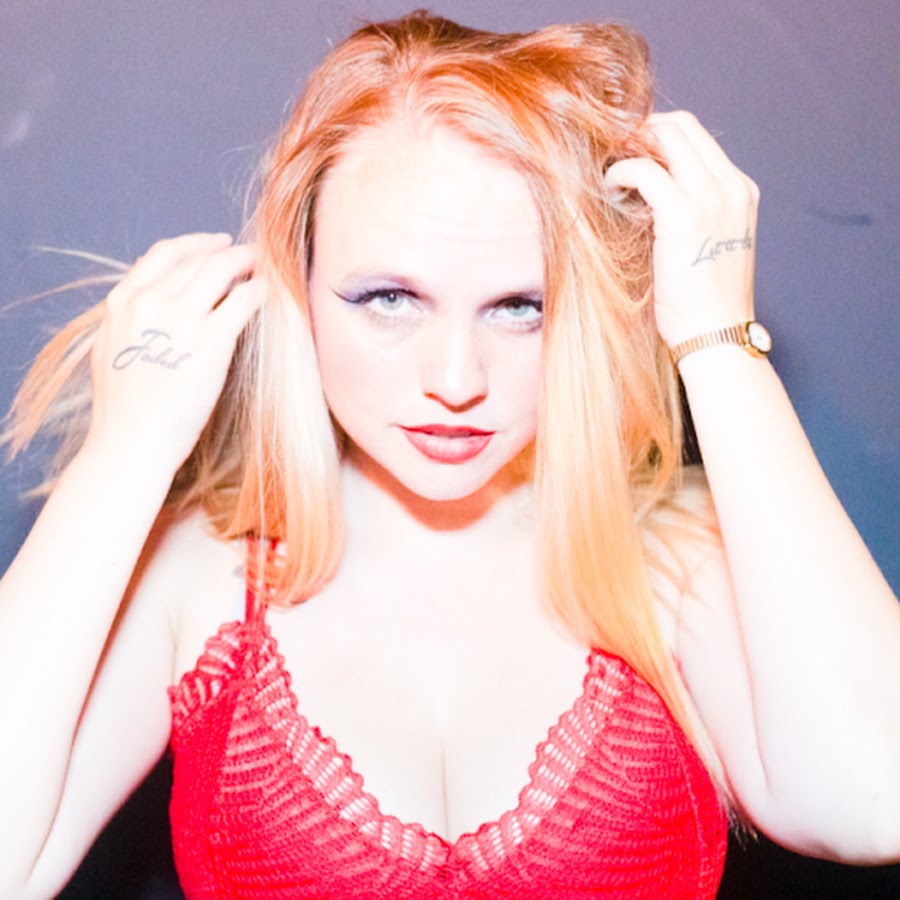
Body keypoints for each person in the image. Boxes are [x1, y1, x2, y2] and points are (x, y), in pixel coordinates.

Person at [1, 11, 898, 899]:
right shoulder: (197, 574)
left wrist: (716, 335)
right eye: (390, 298)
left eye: (521, 307)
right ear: (295, 280)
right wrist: (127, 451)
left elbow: (872, 803)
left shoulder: (681, 555)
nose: (457, 380)